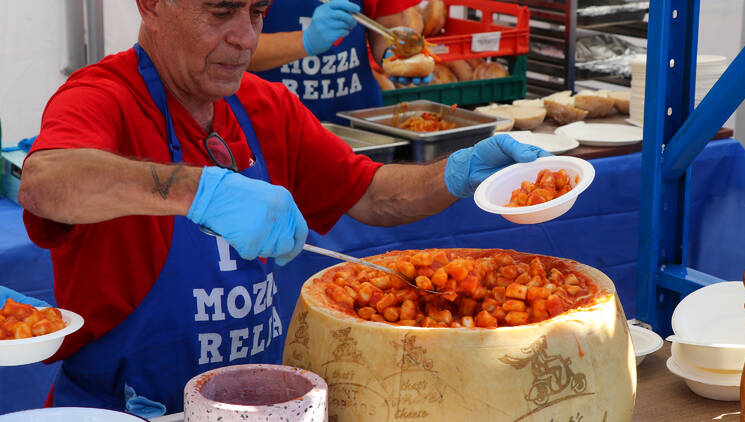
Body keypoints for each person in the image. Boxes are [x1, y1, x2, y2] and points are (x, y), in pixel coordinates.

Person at [17, 0, 549, 417]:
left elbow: (371, 194)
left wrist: (456, 172)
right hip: (127, 412)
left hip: (259, 408)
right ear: (153, 4)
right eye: (221, 11)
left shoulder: (264, 105)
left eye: (257, 13)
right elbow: (46, 182)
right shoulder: (101, 96)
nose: (245, 38)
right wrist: (199, 190)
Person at [249, 0, 430, 124]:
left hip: (358, 121)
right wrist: (306, 41)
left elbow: (387, 23)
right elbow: (232, 47)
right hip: (271, 122)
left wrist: (394, 55)